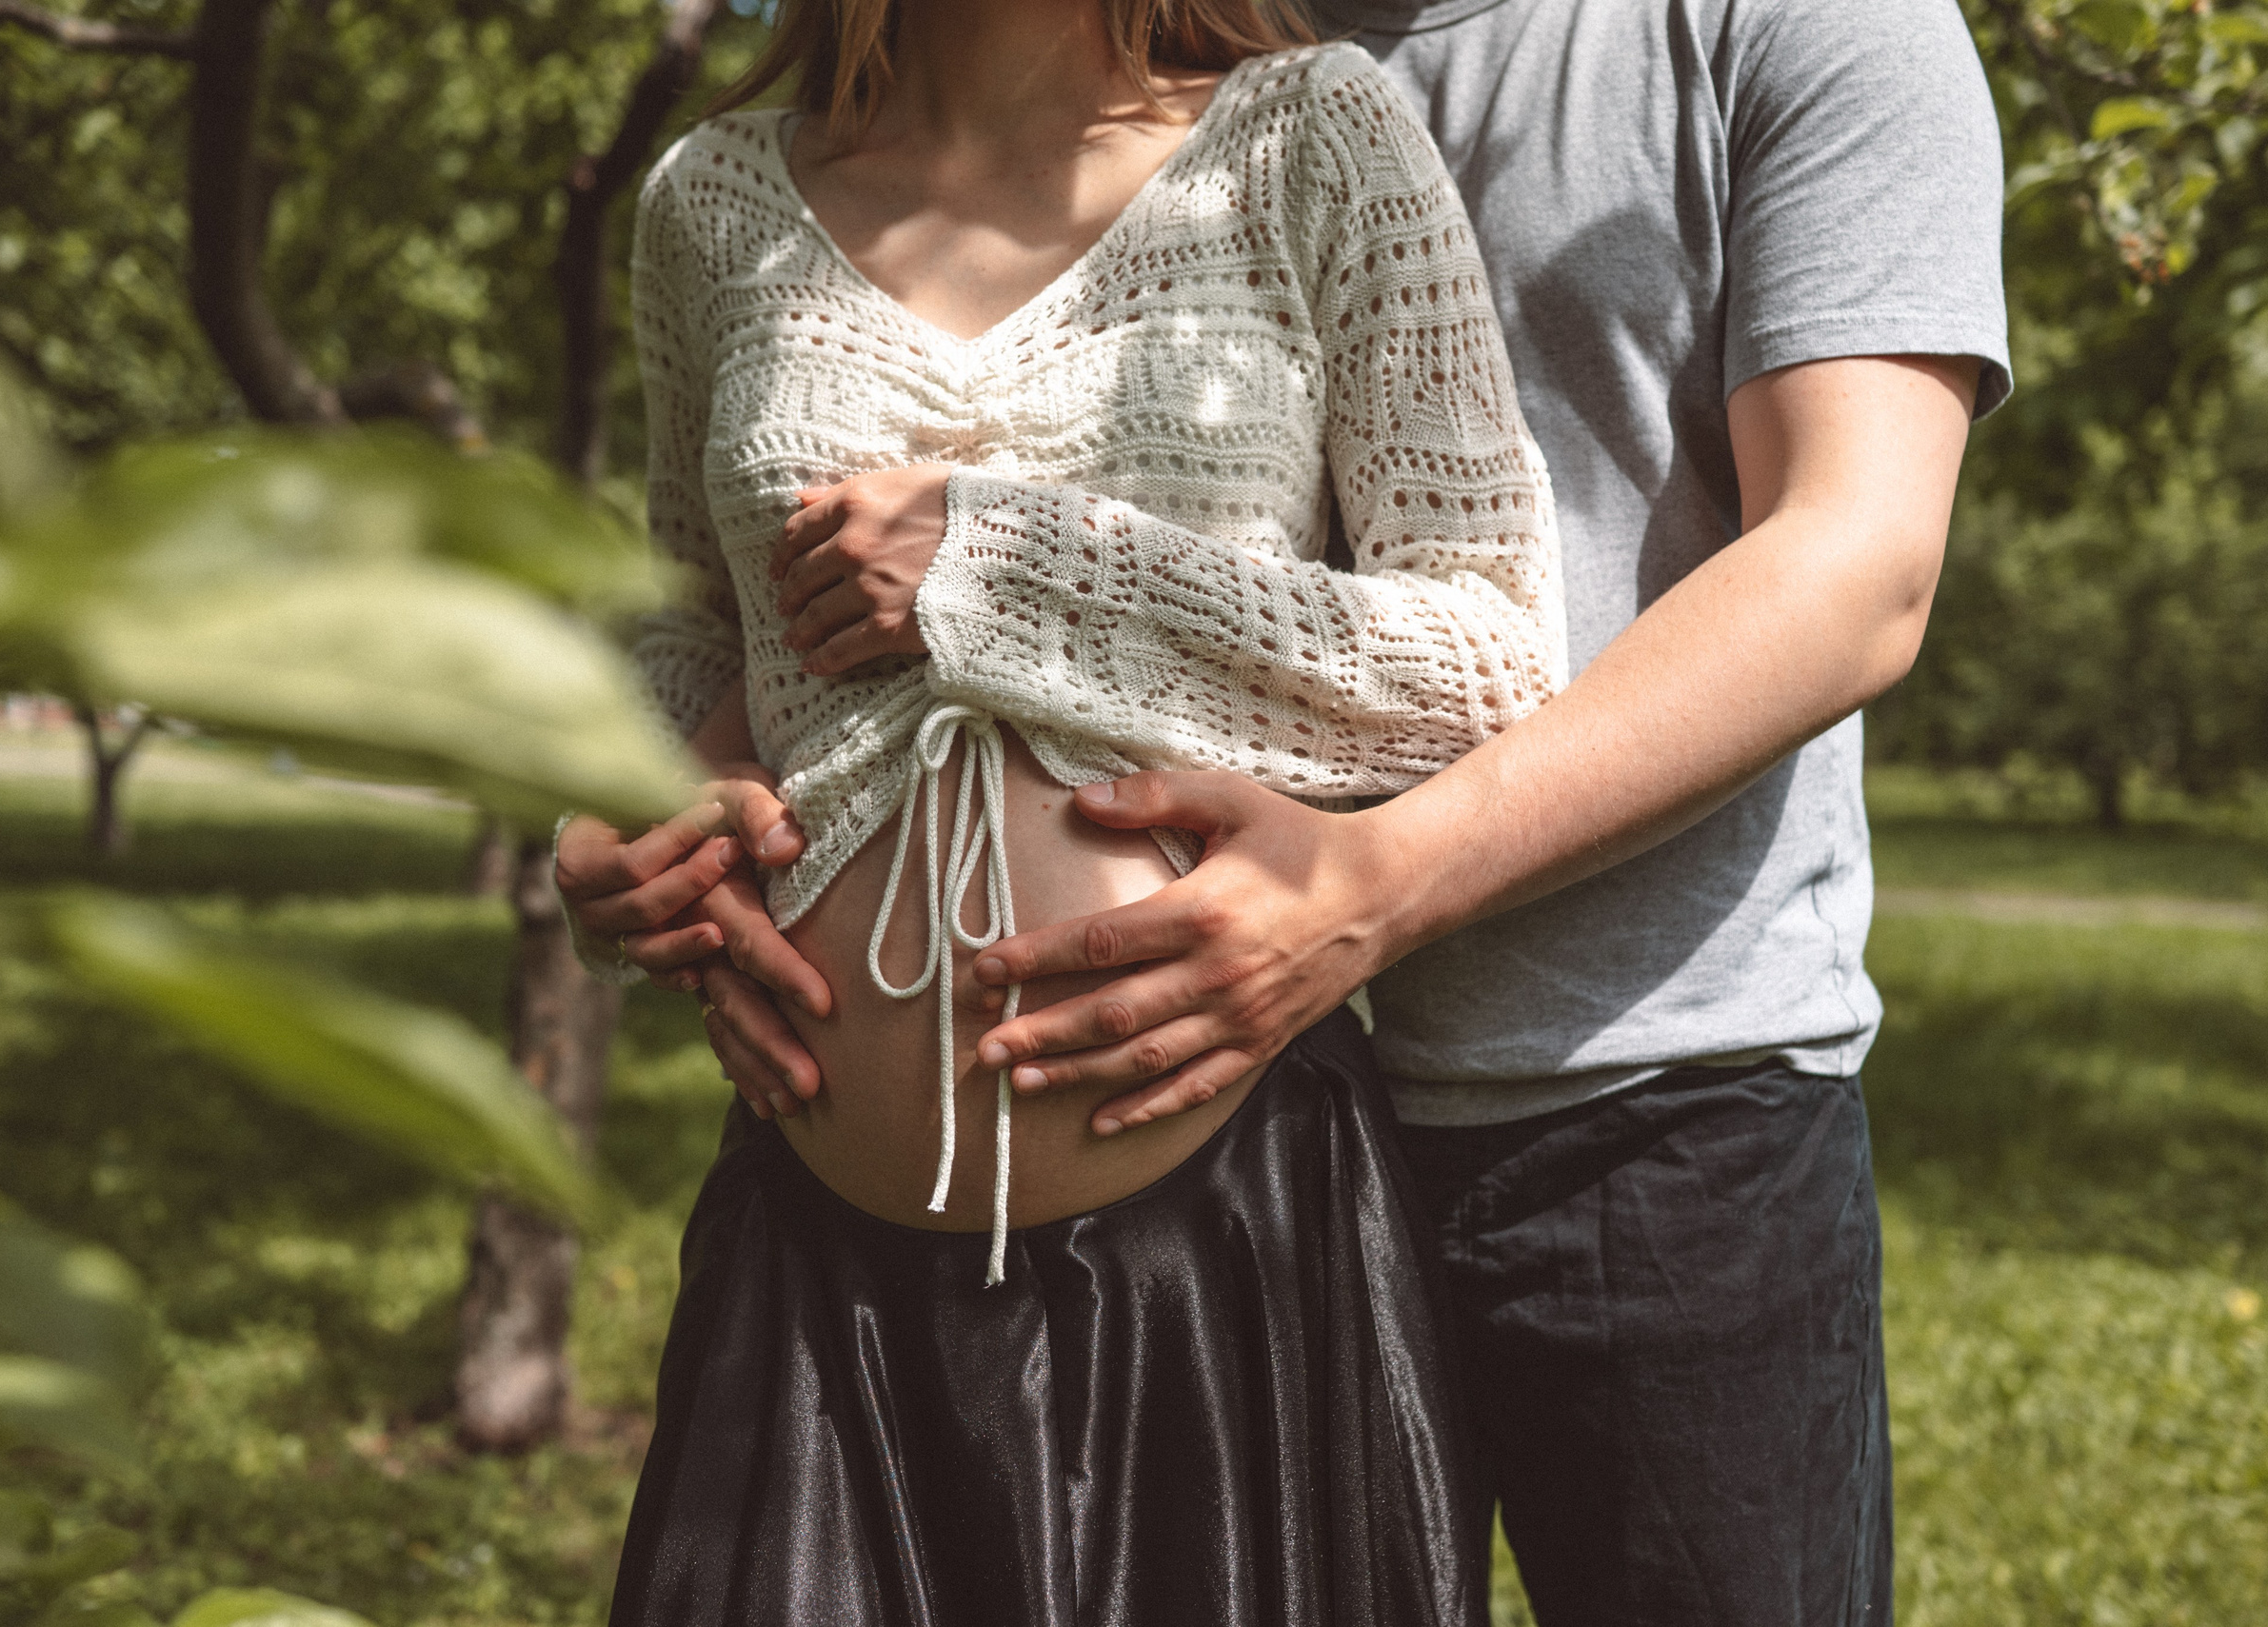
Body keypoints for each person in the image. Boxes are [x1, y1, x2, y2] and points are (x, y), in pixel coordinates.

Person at [597, 1, 2013, 1621]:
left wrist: (1369, 887)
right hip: (1209, 1135)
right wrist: (654, 804)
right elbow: (726, 634)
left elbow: (1857, 573)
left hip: (1637, 1092)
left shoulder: (1779, 22)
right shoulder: (1170, 45)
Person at [561, 2, 1571, 1621]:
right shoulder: (712, 202)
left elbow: (1494, 660)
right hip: (819, 1258)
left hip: (1223, 1246)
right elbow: (693, 626)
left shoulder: (1314, 137)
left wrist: (1020, 568)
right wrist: (630, 824)